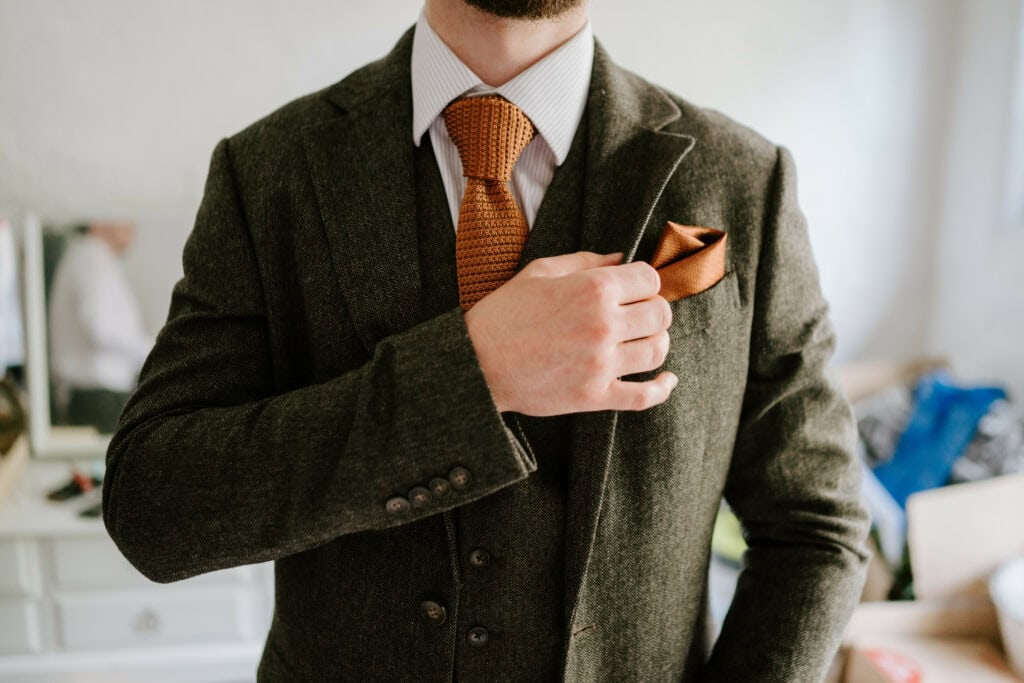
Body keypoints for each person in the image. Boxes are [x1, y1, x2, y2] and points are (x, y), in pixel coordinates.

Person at [102, 0, 870, 680]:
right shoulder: (268, 171)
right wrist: (472, 374)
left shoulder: (746, 182)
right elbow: (153, 506)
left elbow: (816, 525)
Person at [48, 222, 153, 433]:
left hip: (101, 398)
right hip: (98, 400)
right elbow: (99, 326)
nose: (133, 224)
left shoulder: (95, 258)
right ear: (99, 219)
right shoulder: (89, 258)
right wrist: (154, 349)